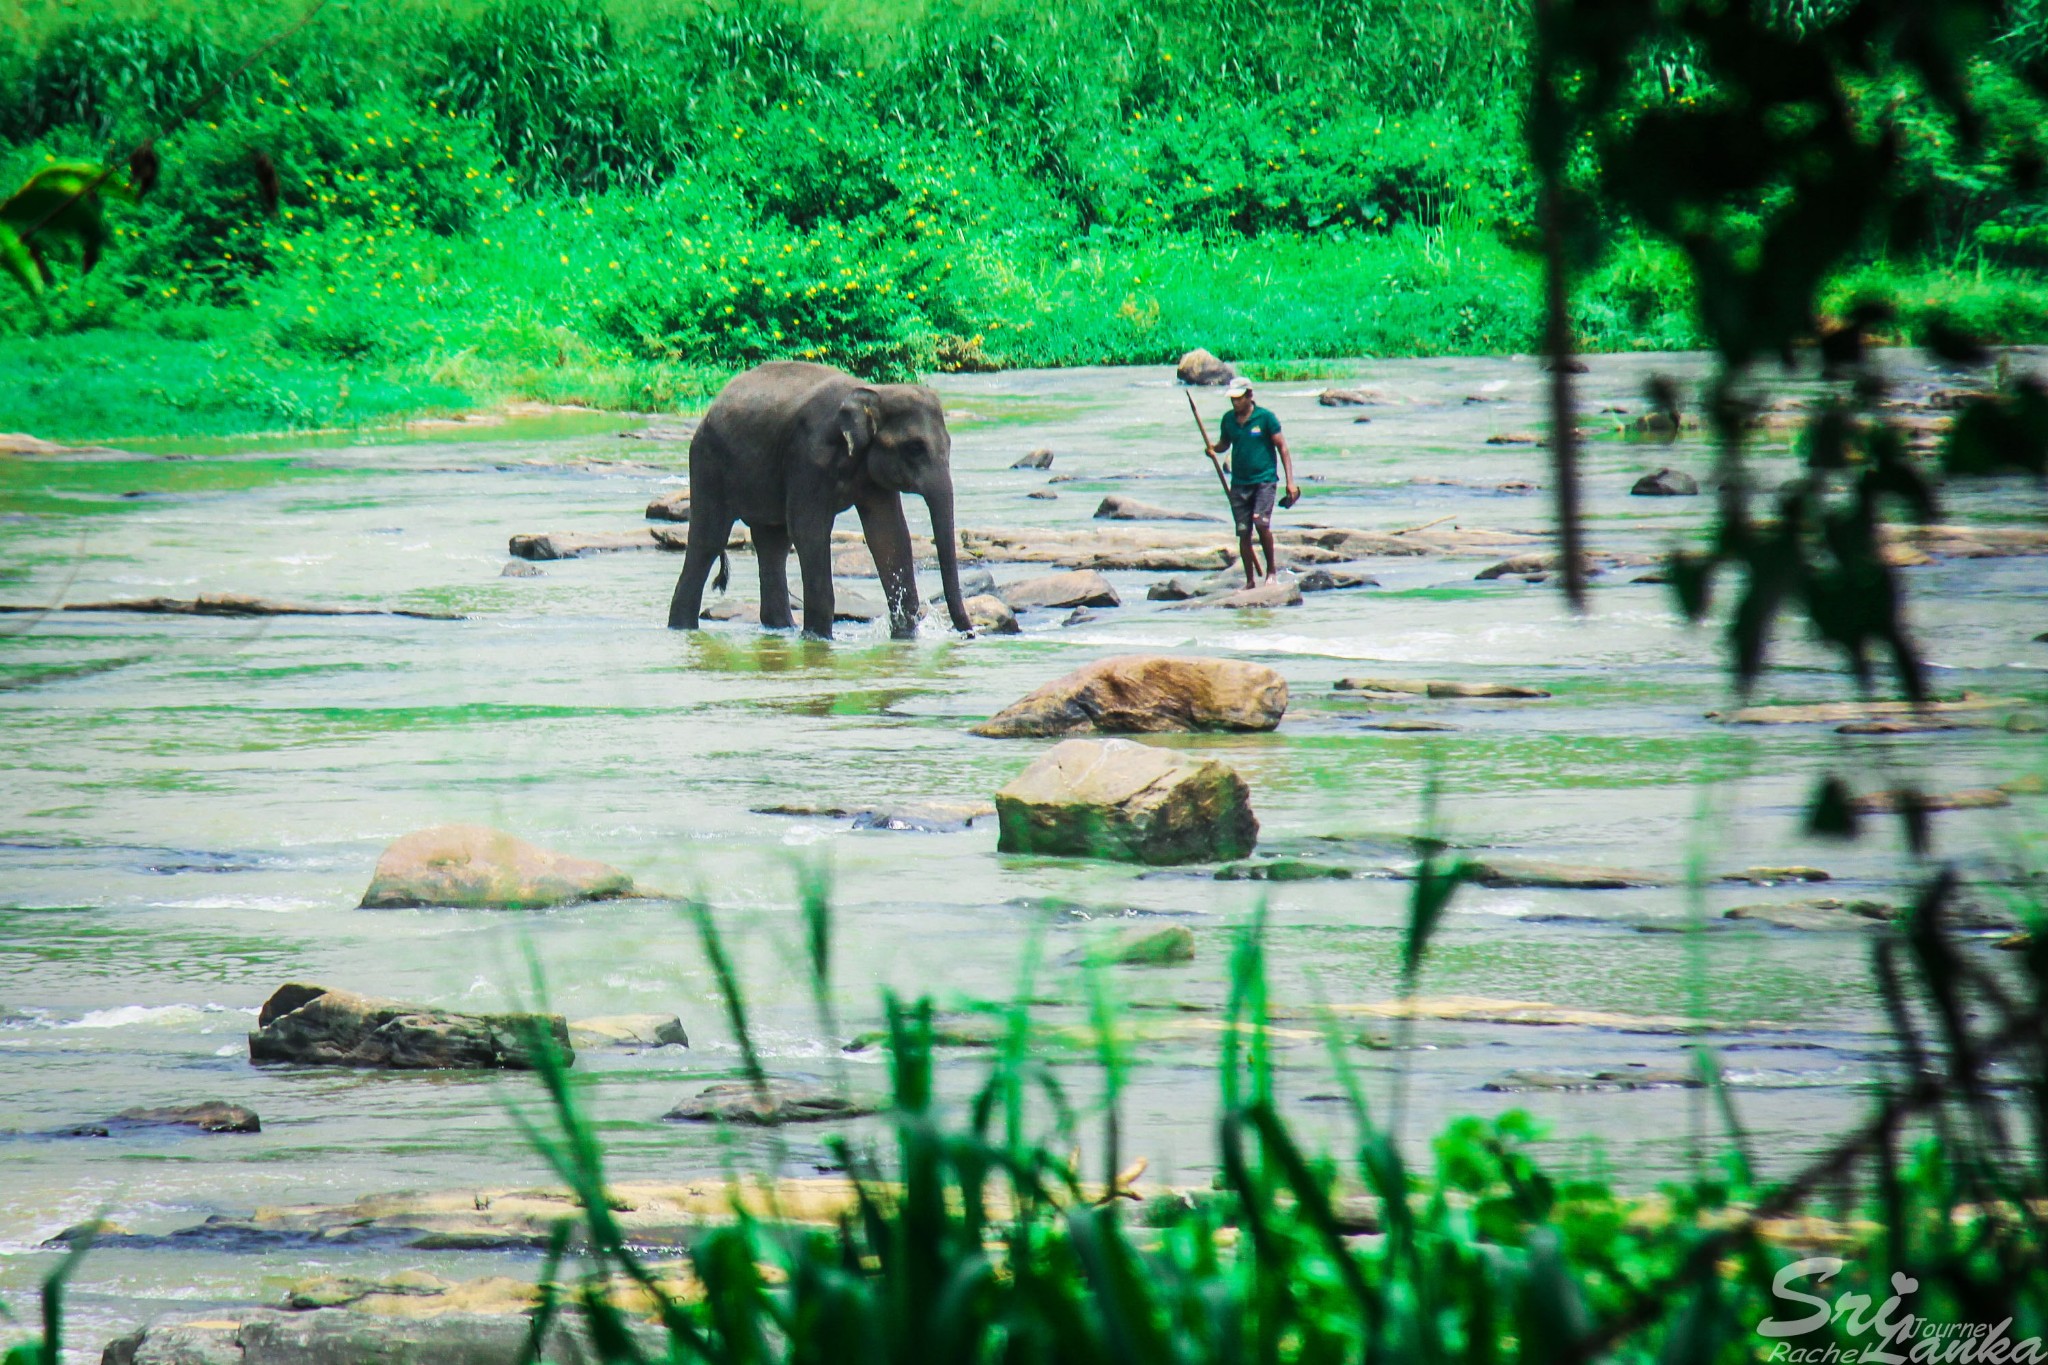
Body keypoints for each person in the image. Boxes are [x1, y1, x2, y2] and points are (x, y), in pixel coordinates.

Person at [1209, 377, 1299, 588]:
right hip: (1240, 482)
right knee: (1243, 531)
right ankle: (1250, 581)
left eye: (1239, 399)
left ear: (1249, 396)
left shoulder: (1265, 418)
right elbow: (1224, 444)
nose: (1235, 403)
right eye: (1232, 399)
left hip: (1264, 480)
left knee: (1261, 522)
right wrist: (1213, 449)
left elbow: (1282, 448)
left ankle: (1271, 572)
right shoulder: (1228, 420)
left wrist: (1290, 482)